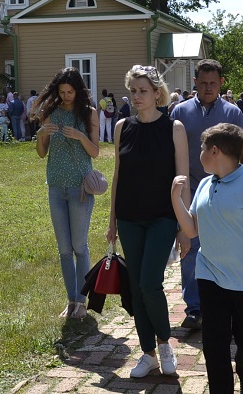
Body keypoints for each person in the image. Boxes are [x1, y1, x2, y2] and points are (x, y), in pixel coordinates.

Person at [171, 123, 243, 394]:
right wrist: (175, 198)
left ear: (216, 151)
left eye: (202, 148)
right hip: (210, 276)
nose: (200, 153)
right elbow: (192, 229)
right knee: (214, 343)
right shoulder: (206, 184)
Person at [107, 64, 187, 378]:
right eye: (133, 91)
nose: (136, 96)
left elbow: (183, 179)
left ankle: (165, 341)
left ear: (157, 93)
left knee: (150, 283)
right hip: (128, 217)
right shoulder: (122, 127)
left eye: (143, 91)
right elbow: (117, 176)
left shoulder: (174, 127)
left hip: (163, 217)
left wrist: (185, 225)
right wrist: (112, 221)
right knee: (137, 289)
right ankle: (148, 353)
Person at [170, 58, 243, 330]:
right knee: (191, 248)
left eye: (213, 82)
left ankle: (222, 305)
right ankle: (194, 308)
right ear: (195, 82)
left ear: (221, 83)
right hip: (191, 190)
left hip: (225, 191)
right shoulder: (179, 111)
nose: (207, 87)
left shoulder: (233, 112)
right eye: (203, 82)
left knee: (224, 248)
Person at [35, 67, 100, 319]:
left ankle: (82, 302)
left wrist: (80, 136)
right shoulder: (51, 113)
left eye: (70, 92)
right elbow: (42, 153)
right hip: (56, 186)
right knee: (64, 249)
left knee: (79, 246)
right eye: (61, 92)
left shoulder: (89, 113)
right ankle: (71, 300)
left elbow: (95, 152)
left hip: (80, 187)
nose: (65, 96)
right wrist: (41, 135)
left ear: (78, 90)